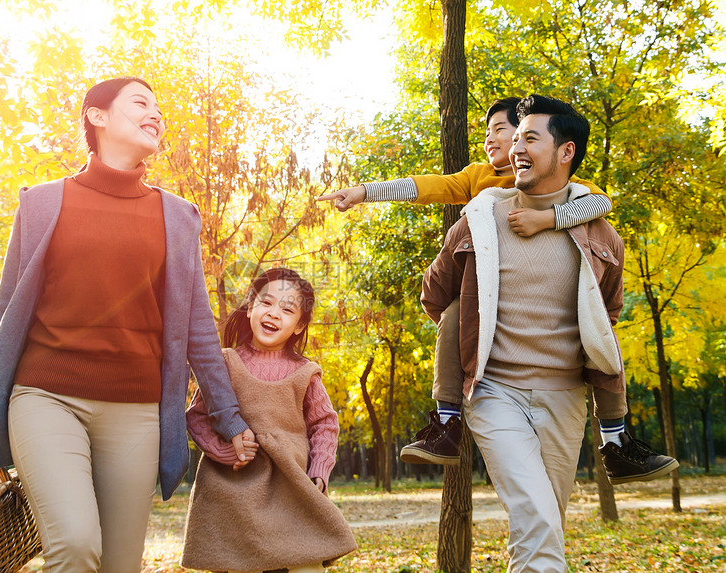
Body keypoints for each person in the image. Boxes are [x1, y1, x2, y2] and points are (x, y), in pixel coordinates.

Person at [0, 76, 255, 573]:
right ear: (97, 116)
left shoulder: (177, 216)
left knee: (120, 565)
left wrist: (228, 418)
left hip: (137, 411)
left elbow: (198, 330)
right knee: (76, 545)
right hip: (45, 398)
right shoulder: (41, 203)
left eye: (158, 110)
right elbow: (5, 313)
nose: (155, 115)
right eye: (141, 103)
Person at [317, 97, 675, 485]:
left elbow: (600, 202)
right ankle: (447, 421)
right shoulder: (478, 179)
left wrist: (546, 219)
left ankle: (615, 439)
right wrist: (365, 192)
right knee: (455, 313)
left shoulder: (565, 187)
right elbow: (427, 186)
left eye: (504, 131)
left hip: (552, 344)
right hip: (484, 299)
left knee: (601, 332)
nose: (494, 140)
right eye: (488, 133)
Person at [420, 95, 678, 571]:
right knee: (538, 518)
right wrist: (468, 332)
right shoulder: (480, 219)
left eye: (529, 137)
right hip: (496, 394)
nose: (515, 146)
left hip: (566, 401)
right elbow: (435, 295)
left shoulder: (600, 234)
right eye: (513, 137)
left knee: (542, 525)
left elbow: (609, 311)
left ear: (566, 153)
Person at [181, 268, 357, 573]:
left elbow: (325, 425)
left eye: (287, 309)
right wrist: (220, 450)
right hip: (233, 491)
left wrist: (319, 470)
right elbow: (197, 417)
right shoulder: (224, 363)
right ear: (250, 307)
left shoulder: (306, 373)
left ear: (300, 325)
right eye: (266, 303)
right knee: (237, 563)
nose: (274, 313)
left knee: (303, 563)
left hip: (289, 486)